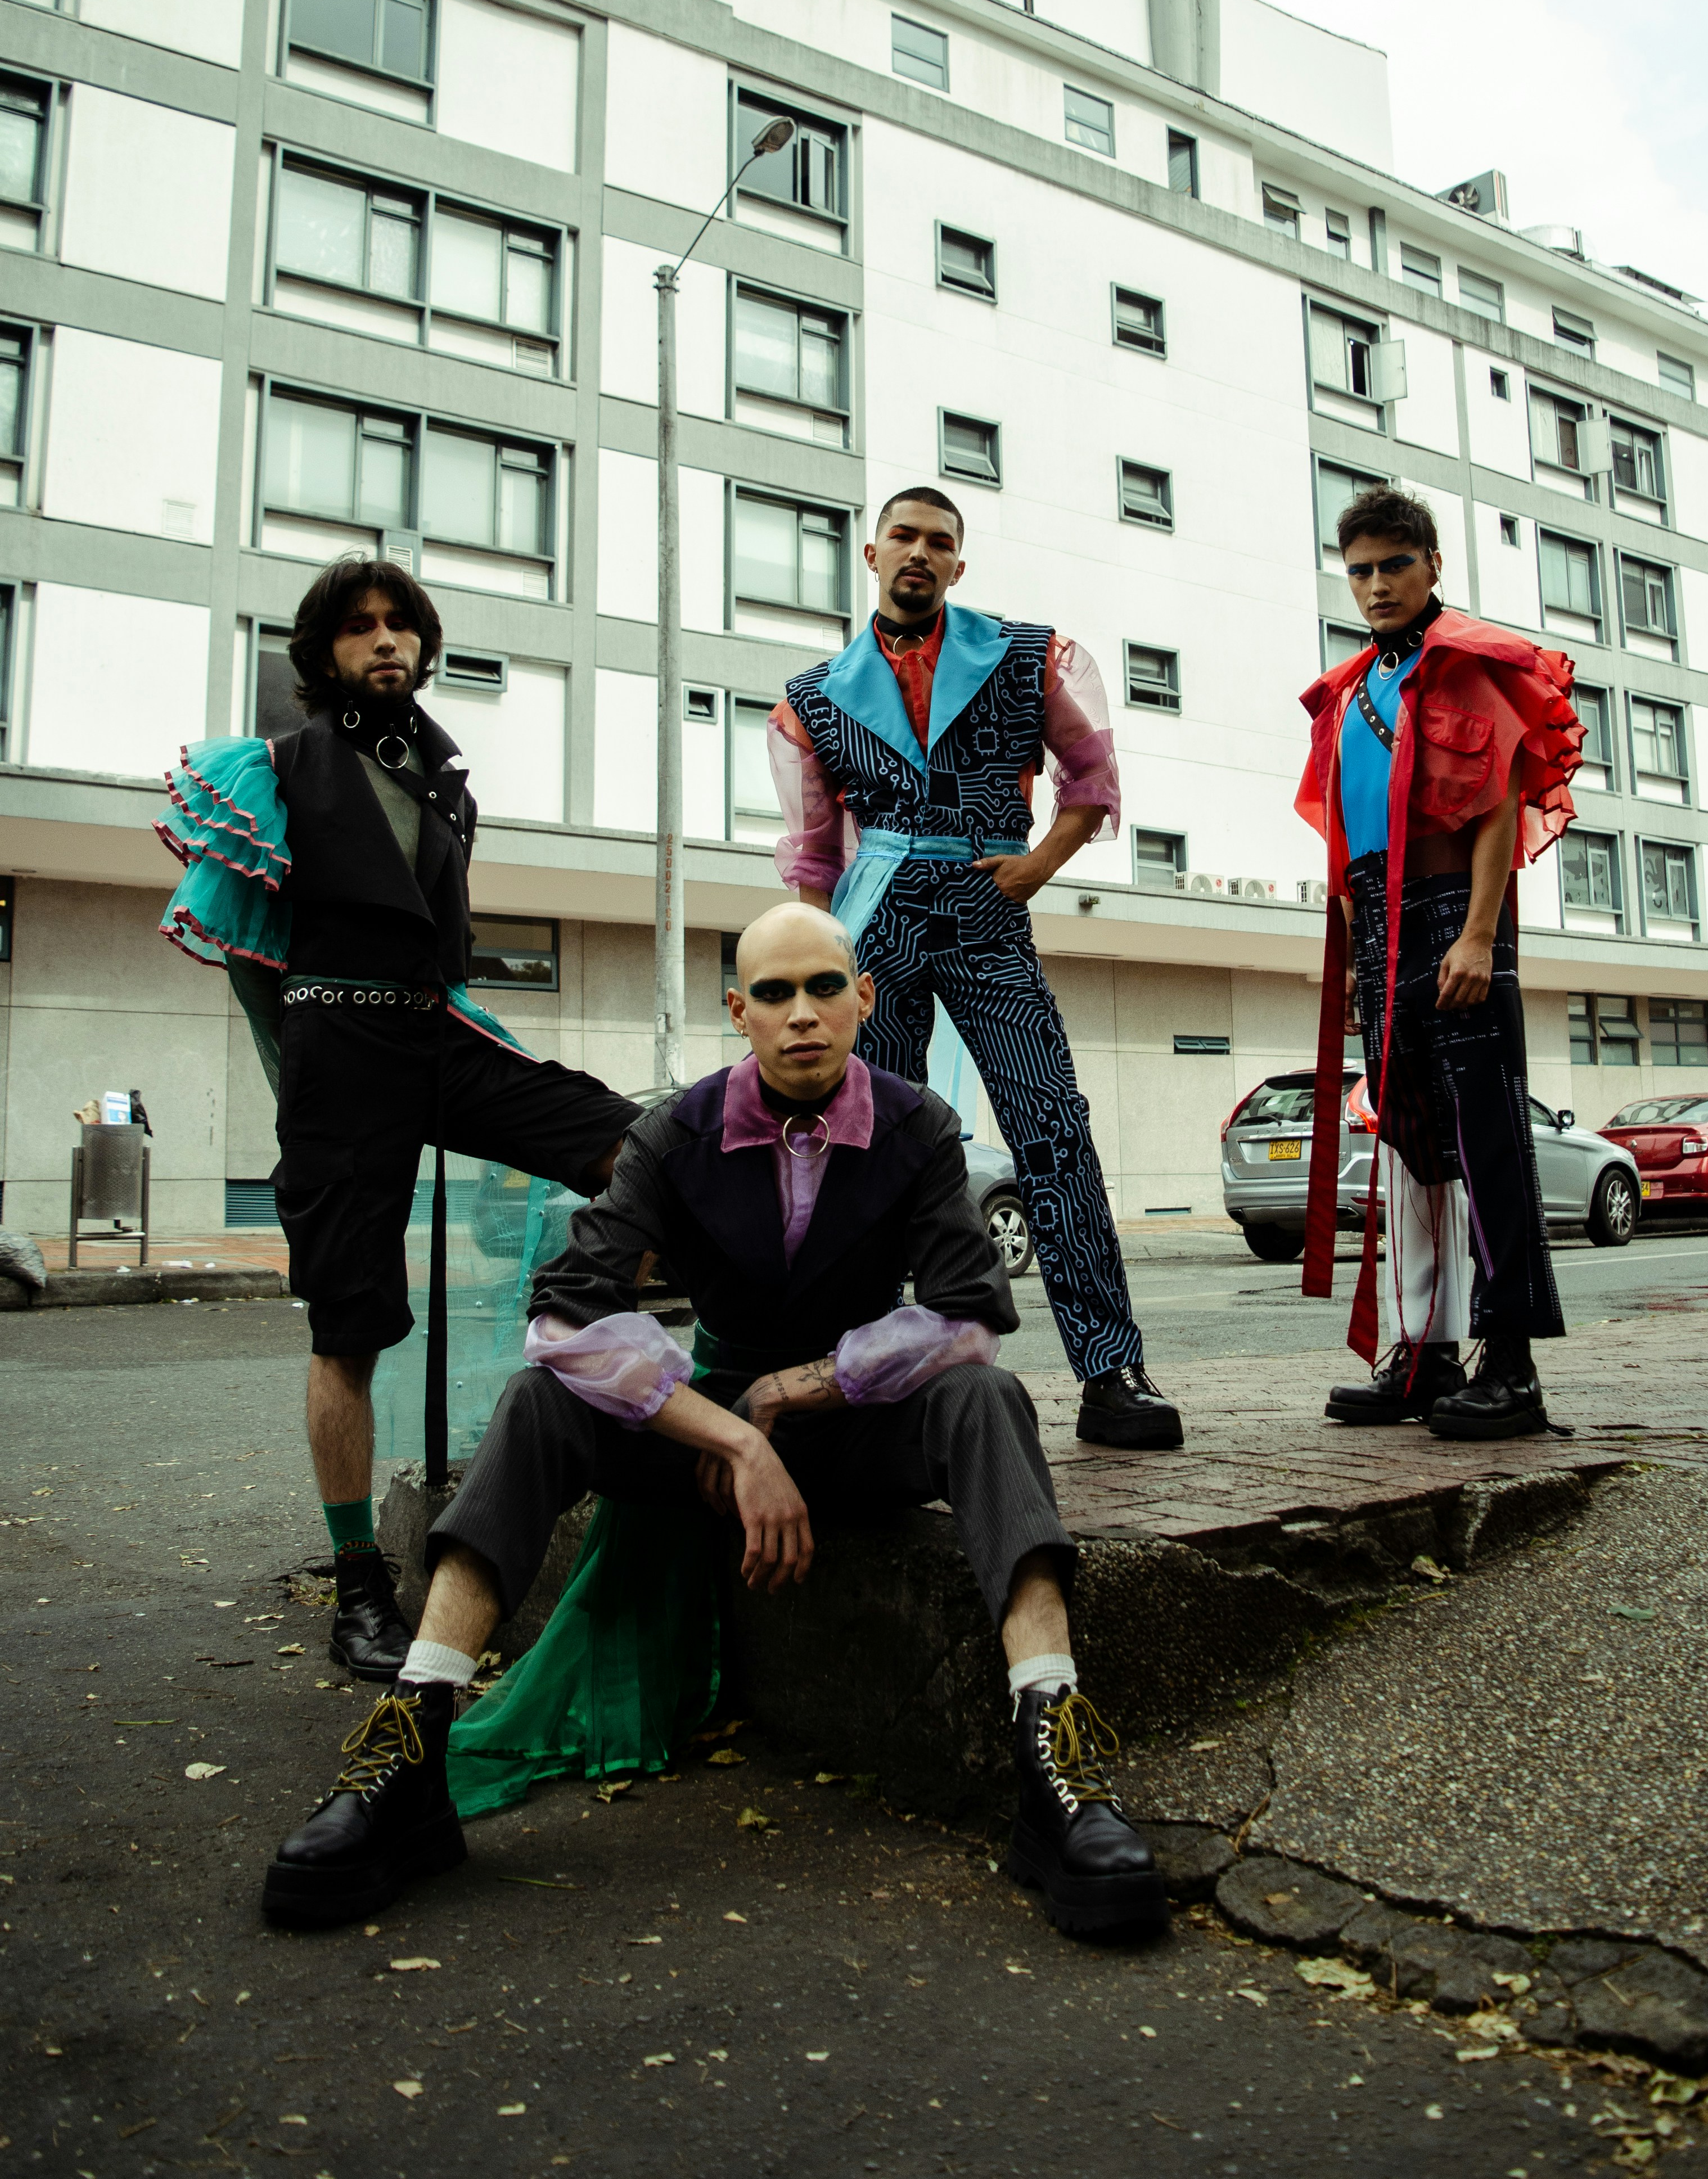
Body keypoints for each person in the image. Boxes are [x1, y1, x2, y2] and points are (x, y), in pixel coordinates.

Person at [259, 901, 1168, 1942]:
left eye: (825, 987)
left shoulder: (918, 1125)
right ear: (739, 1012)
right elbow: (563, 1321)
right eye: (774, 994)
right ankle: (410, 1744)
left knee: (987, 1399)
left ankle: (1055, 1753)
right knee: (539, 1402)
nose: (803, 1015)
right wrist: (729, 1432)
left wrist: (794, 1393)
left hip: (849, 1432)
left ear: (865, 998)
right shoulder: (676, 1130)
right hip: (698, 1441)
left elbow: (967, 1320)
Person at [156, 558, 640, 1682]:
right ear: (325, 653)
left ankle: (597, 1343)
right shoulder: (270, 767)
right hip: (336, 1052)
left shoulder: (444, 777)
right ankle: (361, 1586)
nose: (385, 641)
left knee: (635, 1142)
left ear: (423, 645)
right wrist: (304, 1088)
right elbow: (243, 955)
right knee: (351, 1324)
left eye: (401, 626)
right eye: (360, 628)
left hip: (437, 1032)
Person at [764, 487, 1182, 1452]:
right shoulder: (815, 697)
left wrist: (1038, 867)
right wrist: (823, 964)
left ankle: (1112, 1368)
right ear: (871, 553)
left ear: (960, 563)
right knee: (868, 1142)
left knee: (1052, 1124)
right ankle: (867, 1371)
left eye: (939, 542)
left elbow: (1091, 780)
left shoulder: (1032, 656)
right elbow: (813, 856)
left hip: (992, 907)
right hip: (876, 922)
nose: (919, 553)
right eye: (903, 537)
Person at [1294, 488, 1583, 1437]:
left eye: (1393, 567)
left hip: (1457, 911)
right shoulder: (1344, 693)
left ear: (1432, 567)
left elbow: (1500, 807)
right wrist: (1349, 967)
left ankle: (1514, 1366)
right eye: (1362, 572)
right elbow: (1343, 837)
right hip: (1375, 923)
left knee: (1489, 1138)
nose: (1377, 586)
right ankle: (1423, 1354)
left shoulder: (1468, 665)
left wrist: (1477, 935)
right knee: (1410, 1145)